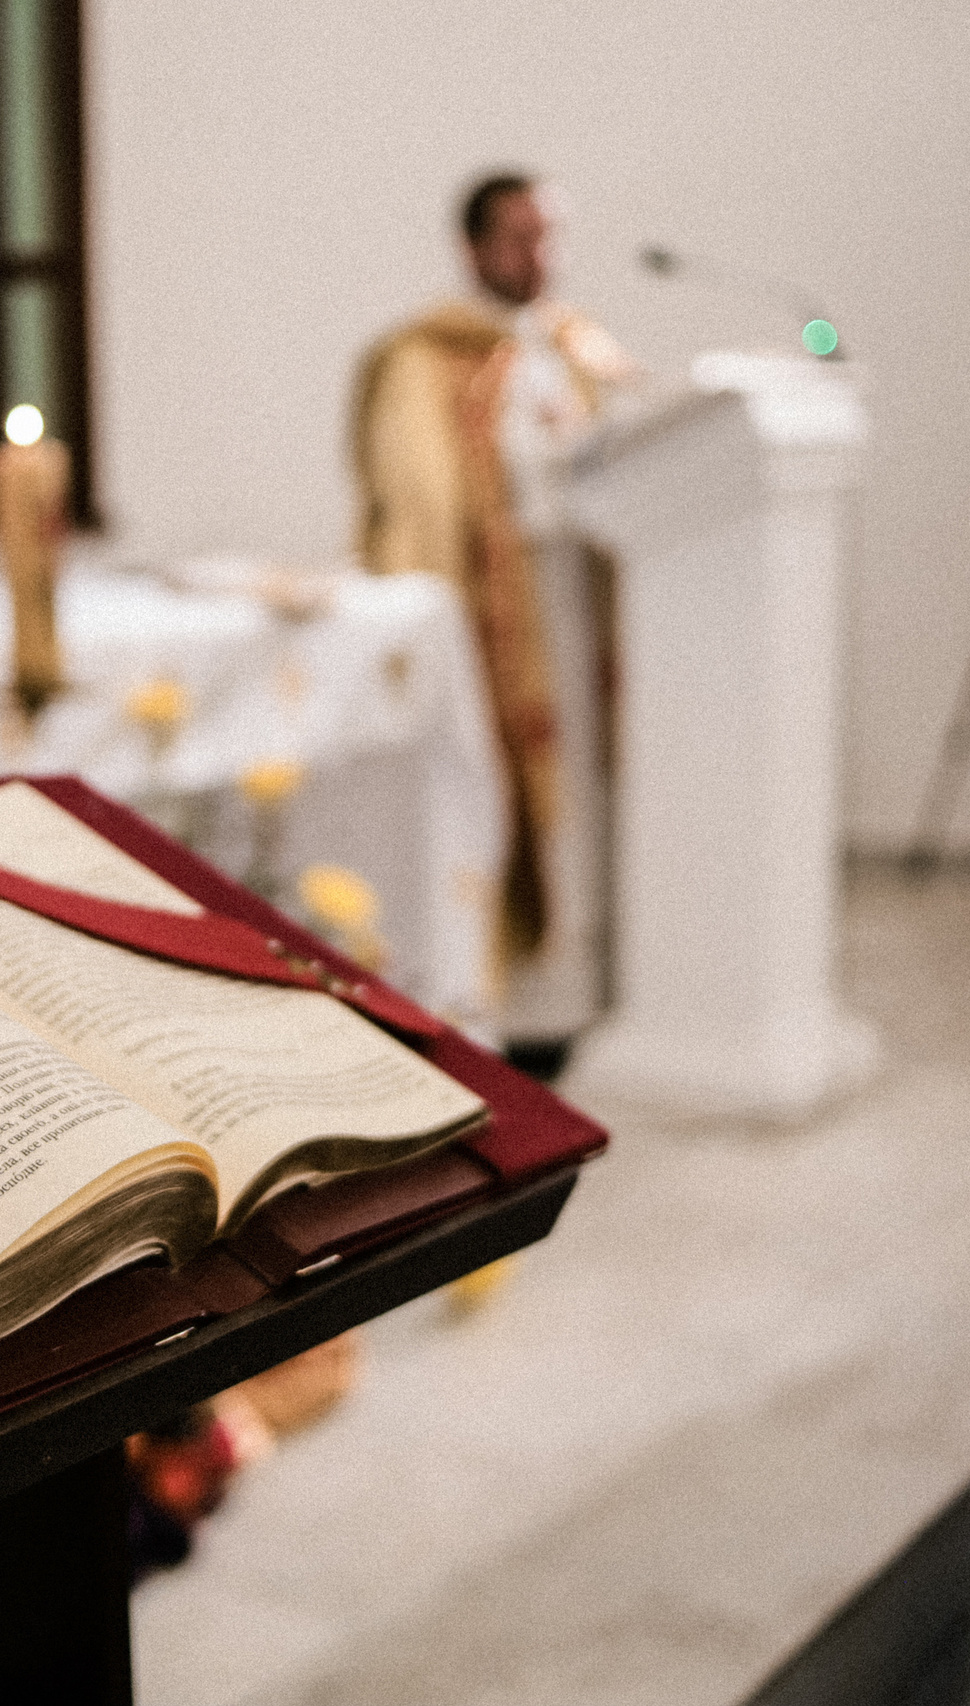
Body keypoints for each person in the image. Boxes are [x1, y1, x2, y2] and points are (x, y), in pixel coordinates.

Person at [352, 172, 636, 1053]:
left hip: (576, 598)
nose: (539, 256)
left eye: (548, 235)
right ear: (472, 247)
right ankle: (509, 1005)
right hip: (494, 610)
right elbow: (411, 501)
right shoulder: (423, 356)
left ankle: (585, 989)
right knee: (499, 793)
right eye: (519, 236)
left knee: (581, 797)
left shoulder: (578, 344)